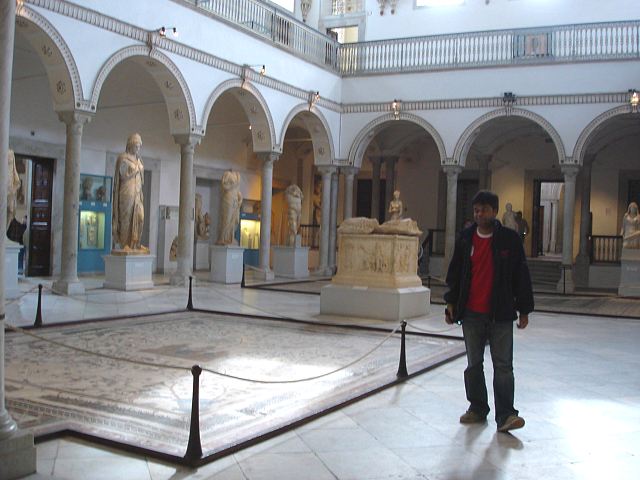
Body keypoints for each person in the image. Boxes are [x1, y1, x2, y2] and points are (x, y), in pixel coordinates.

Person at [444, 190, 534, 433]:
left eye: (483, 210)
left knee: (503, 365)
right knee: (474, 364)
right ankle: (477, 408)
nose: (479, 214)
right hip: (471, 313)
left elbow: (521, 274)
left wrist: (524, 309)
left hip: (500, 313)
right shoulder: (466, 238)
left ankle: (506, 415)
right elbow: (455, 273)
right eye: (476, 210)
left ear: (494, 211)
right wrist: (451, 303)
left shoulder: (509, 239)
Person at [112, 133, 147, 252]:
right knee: (126, 218)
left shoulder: (139, 159)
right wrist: (136, 168)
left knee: (140, 217)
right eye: (136, 146)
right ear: (130, 145)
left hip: (137, 192)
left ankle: (135, 243)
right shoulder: (123, 158)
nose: (138, 149)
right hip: (127, 192)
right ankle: (125, 244)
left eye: (139, 146)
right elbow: (123, 174)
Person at [217, 170, 242, 245]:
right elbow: (224, 186)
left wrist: (240, 198)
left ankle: (230, 238)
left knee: (233, 220)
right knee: (226, 219)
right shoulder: (227, 174)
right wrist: (232, 186)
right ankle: (222, 238)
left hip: (235, 201)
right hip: (228, 199)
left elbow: (237, 191)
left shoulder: (237, 175)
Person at [7, 149, 21, 230]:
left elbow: (13, 168)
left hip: (10, 187)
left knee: (11, 210)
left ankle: (3, 232)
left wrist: (16, 181)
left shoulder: (11, 152)